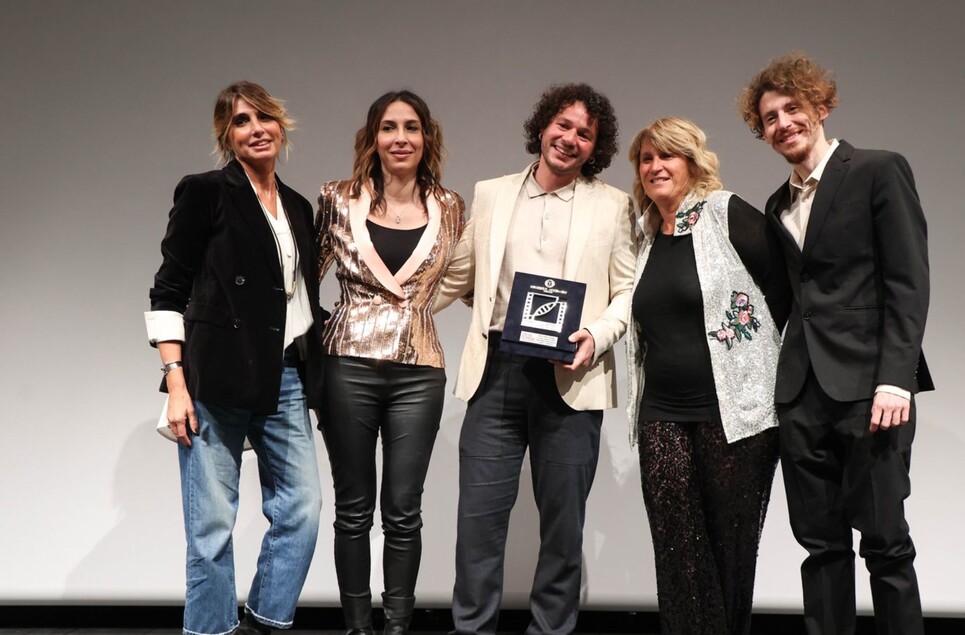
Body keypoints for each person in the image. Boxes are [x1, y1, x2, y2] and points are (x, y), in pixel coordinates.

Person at [739, 53, 934, 635]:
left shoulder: (877, 170)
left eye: (792, 108)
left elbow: (908, 282)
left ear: (821, 107)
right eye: (770, 118)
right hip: (802, 396)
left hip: (871, 391)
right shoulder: (776, 205)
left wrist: (896, 378)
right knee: (821, 548)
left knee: (885, 542)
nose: (782, 124)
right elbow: (786, 302)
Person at [434, 83, 636, 635]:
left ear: (595, 148)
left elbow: (628, 290)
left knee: (564, 528)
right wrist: (399, 307)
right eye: (563, 125)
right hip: (497, 371)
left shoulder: (614, 205)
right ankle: (471, 628)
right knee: (477, 524)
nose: (570, 139)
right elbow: (458, 275)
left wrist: (596, 335)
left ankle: (551, 630)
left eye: (585, 134)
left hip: (572, 375)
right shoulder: (492, 193)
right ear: (543, 126)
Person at [145, 81, 323, 635]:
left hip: (285, 376)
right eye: (241, 121)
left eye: (264, 117)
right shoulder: (206, 192)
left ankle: (263, 625)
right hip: (214, 378)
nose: (256, 129)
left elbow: (298, 298)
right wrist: (176, 384)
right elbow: (168, 291)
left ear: (281, 125)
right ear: (227, 136)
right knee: (211, 529)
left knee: (303, 510)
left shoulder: (298, 207)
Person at [623, 117, 789, 635]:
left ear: (692, 163)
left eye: (667, 155)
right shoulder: (644, 234)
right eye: (646, 158)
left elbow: (783, 285)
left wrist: (754, 351)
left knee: (728, 551)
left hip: (736, 414)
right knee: (677, 554)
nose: (655, 166)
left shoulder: (724, 212)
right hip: (661, 413)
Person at [315, 90, 465, 635]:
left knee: (403, 510)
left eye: (411, 127)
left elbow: (467, 280)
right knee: (353, 509)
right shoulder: (337, 198)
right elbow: (300, 280)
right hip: (347, 366)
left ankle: (397, 627)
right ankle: (358, 628)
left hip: (419, 371)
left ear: (427, 137)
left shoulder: (450, 206)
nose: (400, 137)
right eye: (388, 127)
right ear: (372, 137)